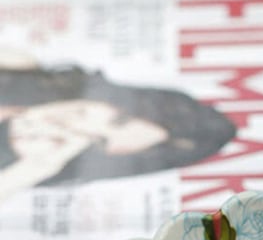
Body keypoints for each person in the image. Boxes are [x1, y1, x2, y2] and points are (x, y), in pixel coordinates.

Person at [0, 59, 236, 205]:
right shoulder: (20, 68)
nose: (80, 129)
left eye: (97, 143)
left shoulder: (33, 167)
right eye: (118, 120)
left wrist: (32, 170)